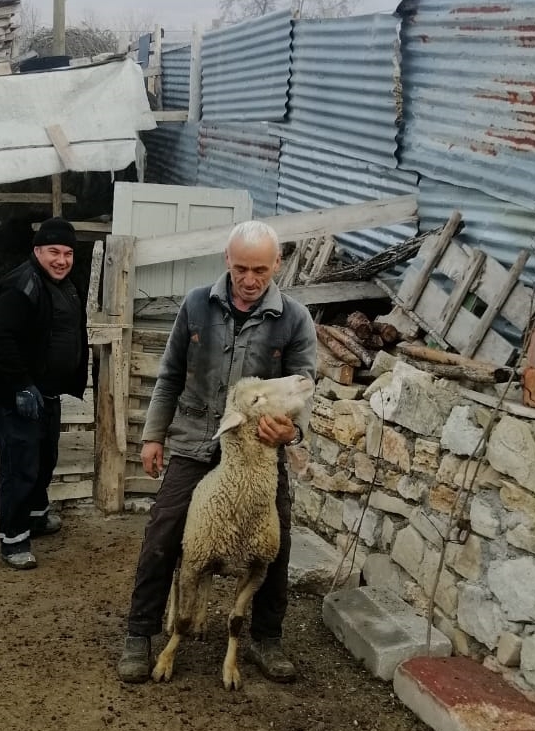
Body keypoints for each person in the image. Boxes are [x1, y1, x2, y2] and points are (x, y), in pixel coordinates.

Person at [117, 220, 318, 683]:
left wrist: (290, 433)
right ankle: (139, 632)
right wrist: (153, 436)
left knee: (276, 542)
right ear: (227, 261)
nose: (250, 280)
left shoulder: (294, 319)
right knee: (164, 529)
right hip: (194, 439)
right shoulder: (195, 305)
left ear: (276, 265)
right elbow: (169, 375)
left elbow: (304, 388)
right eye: (242, 268)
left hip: (256, 450)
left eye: (261, 270)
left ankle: (266, 638)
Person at [0, 217, 89, 570]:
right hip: (18, 394)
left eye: (68, 253)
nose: (61, 260)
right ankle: (13, 538)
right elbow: (0, 341)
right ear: (37, 251)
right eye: (54, 252)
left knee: (44, 458)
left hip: (48, 391)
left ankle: (36, 516)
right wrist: (20, 385)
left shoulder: (64, 286)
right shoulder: (20, 287)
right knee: (21, 465)